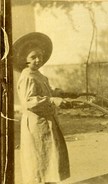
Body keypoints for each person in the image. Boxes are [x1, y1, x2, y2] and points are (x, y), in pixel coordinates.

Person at [13, 32, 70, 184]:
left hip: (46, 121)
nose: (38, 60)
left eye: (40, 56)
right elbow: (29, 101)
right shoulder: (27, 77)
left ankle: (49, 181)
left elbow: (46, 91)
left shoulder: (38, 74)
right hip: (36, 123)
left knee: (49, 154)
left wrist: (61, 93)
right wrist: (52, 100)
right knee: (39, 156)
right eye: (33, 57)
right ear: (24, 59)